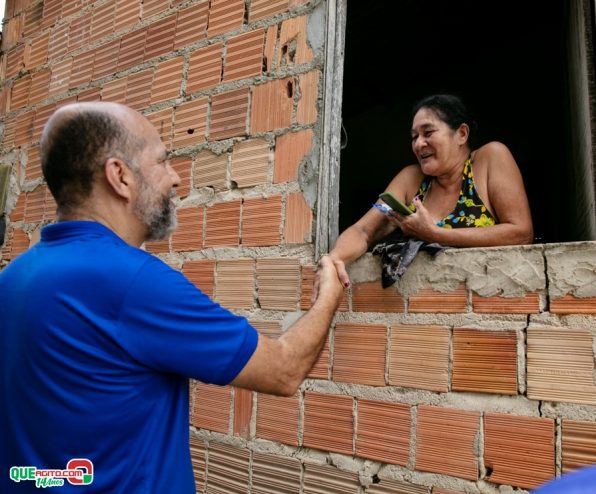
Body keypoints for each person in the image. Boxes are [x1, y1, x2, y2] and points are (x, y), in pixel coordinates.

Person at [0, 102, 343, 493]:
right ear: (120, 176)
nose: (176, 177)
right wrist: (329, 293)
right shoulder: (132, 282)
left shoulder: (12, 278)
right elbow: (284, 369)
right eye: (162, 161)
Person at [326, 94, 533, 288]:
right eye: (414, 136)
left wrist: (435, 234)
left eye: (428, 133)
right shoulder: (411, 179)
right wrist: (334, 258)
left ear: (461, 134)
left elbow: (521, 233)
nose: (418, 144)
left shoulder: (489, 158)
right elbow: (363, 230)